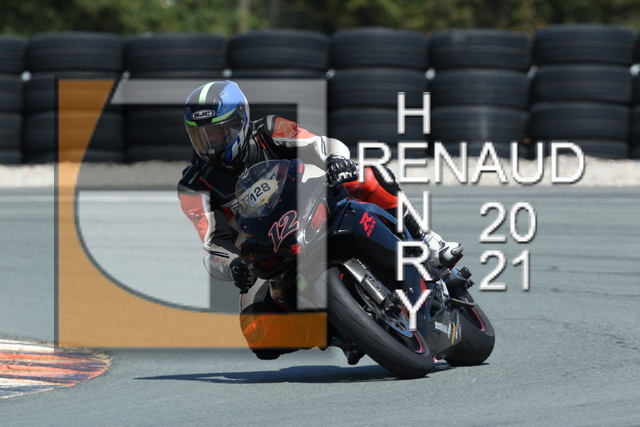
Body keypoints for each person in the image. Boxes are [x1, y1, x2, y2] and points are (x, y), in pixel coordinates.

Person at [177, 80, 462, 358]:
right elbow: (213, 246)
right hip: (266, 252)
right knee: (259, 335)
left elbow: (320, 144)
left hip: (312, 209)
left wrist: (336, 160)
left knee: (368, 176)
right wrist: (234, 267)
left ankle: (428, 240)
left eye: (219, 132)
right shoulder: (193, 186)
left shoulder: (270, 130)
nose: (211, 144)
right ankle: (339, 329)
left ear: (240, 121)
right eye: (201, 136)